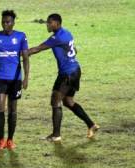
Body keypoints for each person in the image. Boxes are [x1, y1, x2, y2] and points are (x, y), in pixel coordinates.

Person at [28, 13, 99, 142]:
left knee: (55, 100)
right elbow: (74, 50)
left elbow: (37, 49)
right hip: (75, 70)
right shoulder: (67, 33)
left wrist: (16, 54)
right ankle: (91, 125)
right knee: (68, 101)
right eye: (47, 22)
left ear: (57, 23)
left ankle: (56, 135)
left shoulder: (57, 38)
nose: (47, 25)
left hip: (67, 73)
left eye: (50, 23)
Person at [0, 10, 29, 151]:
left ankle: (10, 139)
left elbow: (26, 58)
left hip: (15, 80)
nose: (5, 24)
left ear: (13, 22)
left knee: (12, 109)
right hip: (0, 78)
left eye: (8, 22)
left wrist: (26, 78)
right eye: (3, 21)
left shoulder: (21, 36)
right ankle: (1, 140)